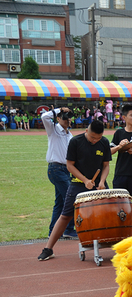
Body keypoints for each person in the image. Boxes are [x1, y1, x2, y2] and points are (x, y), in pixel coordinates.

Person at [38, 120, 111, 261]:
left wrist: (101, 182)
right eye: (92, 138)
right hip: (78, 184)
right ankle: (48, 249)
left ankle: (113, 243)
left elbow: (106, 165)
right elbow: (70, 165)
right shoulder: (75, 142)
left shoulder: (104, 142)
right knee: (66, 215)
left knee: (107, 213)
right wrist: (85, 180)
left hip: (98, 185)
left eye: (98, 138)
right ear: (86, 131)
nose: (95, 141)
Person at [41, 107, 77, 238]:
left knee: (60, 202)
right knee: (72, 198)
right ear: (58, 118)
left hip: (66, 170)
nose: (68, 120)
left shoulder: (69, 134)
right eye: (64, 117)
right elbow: (44, 117)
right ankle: (68, 229)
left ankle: (53, 232)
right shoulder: (53, 129)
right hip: (56, 169)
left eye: (69, 117)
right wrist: (59, 109)